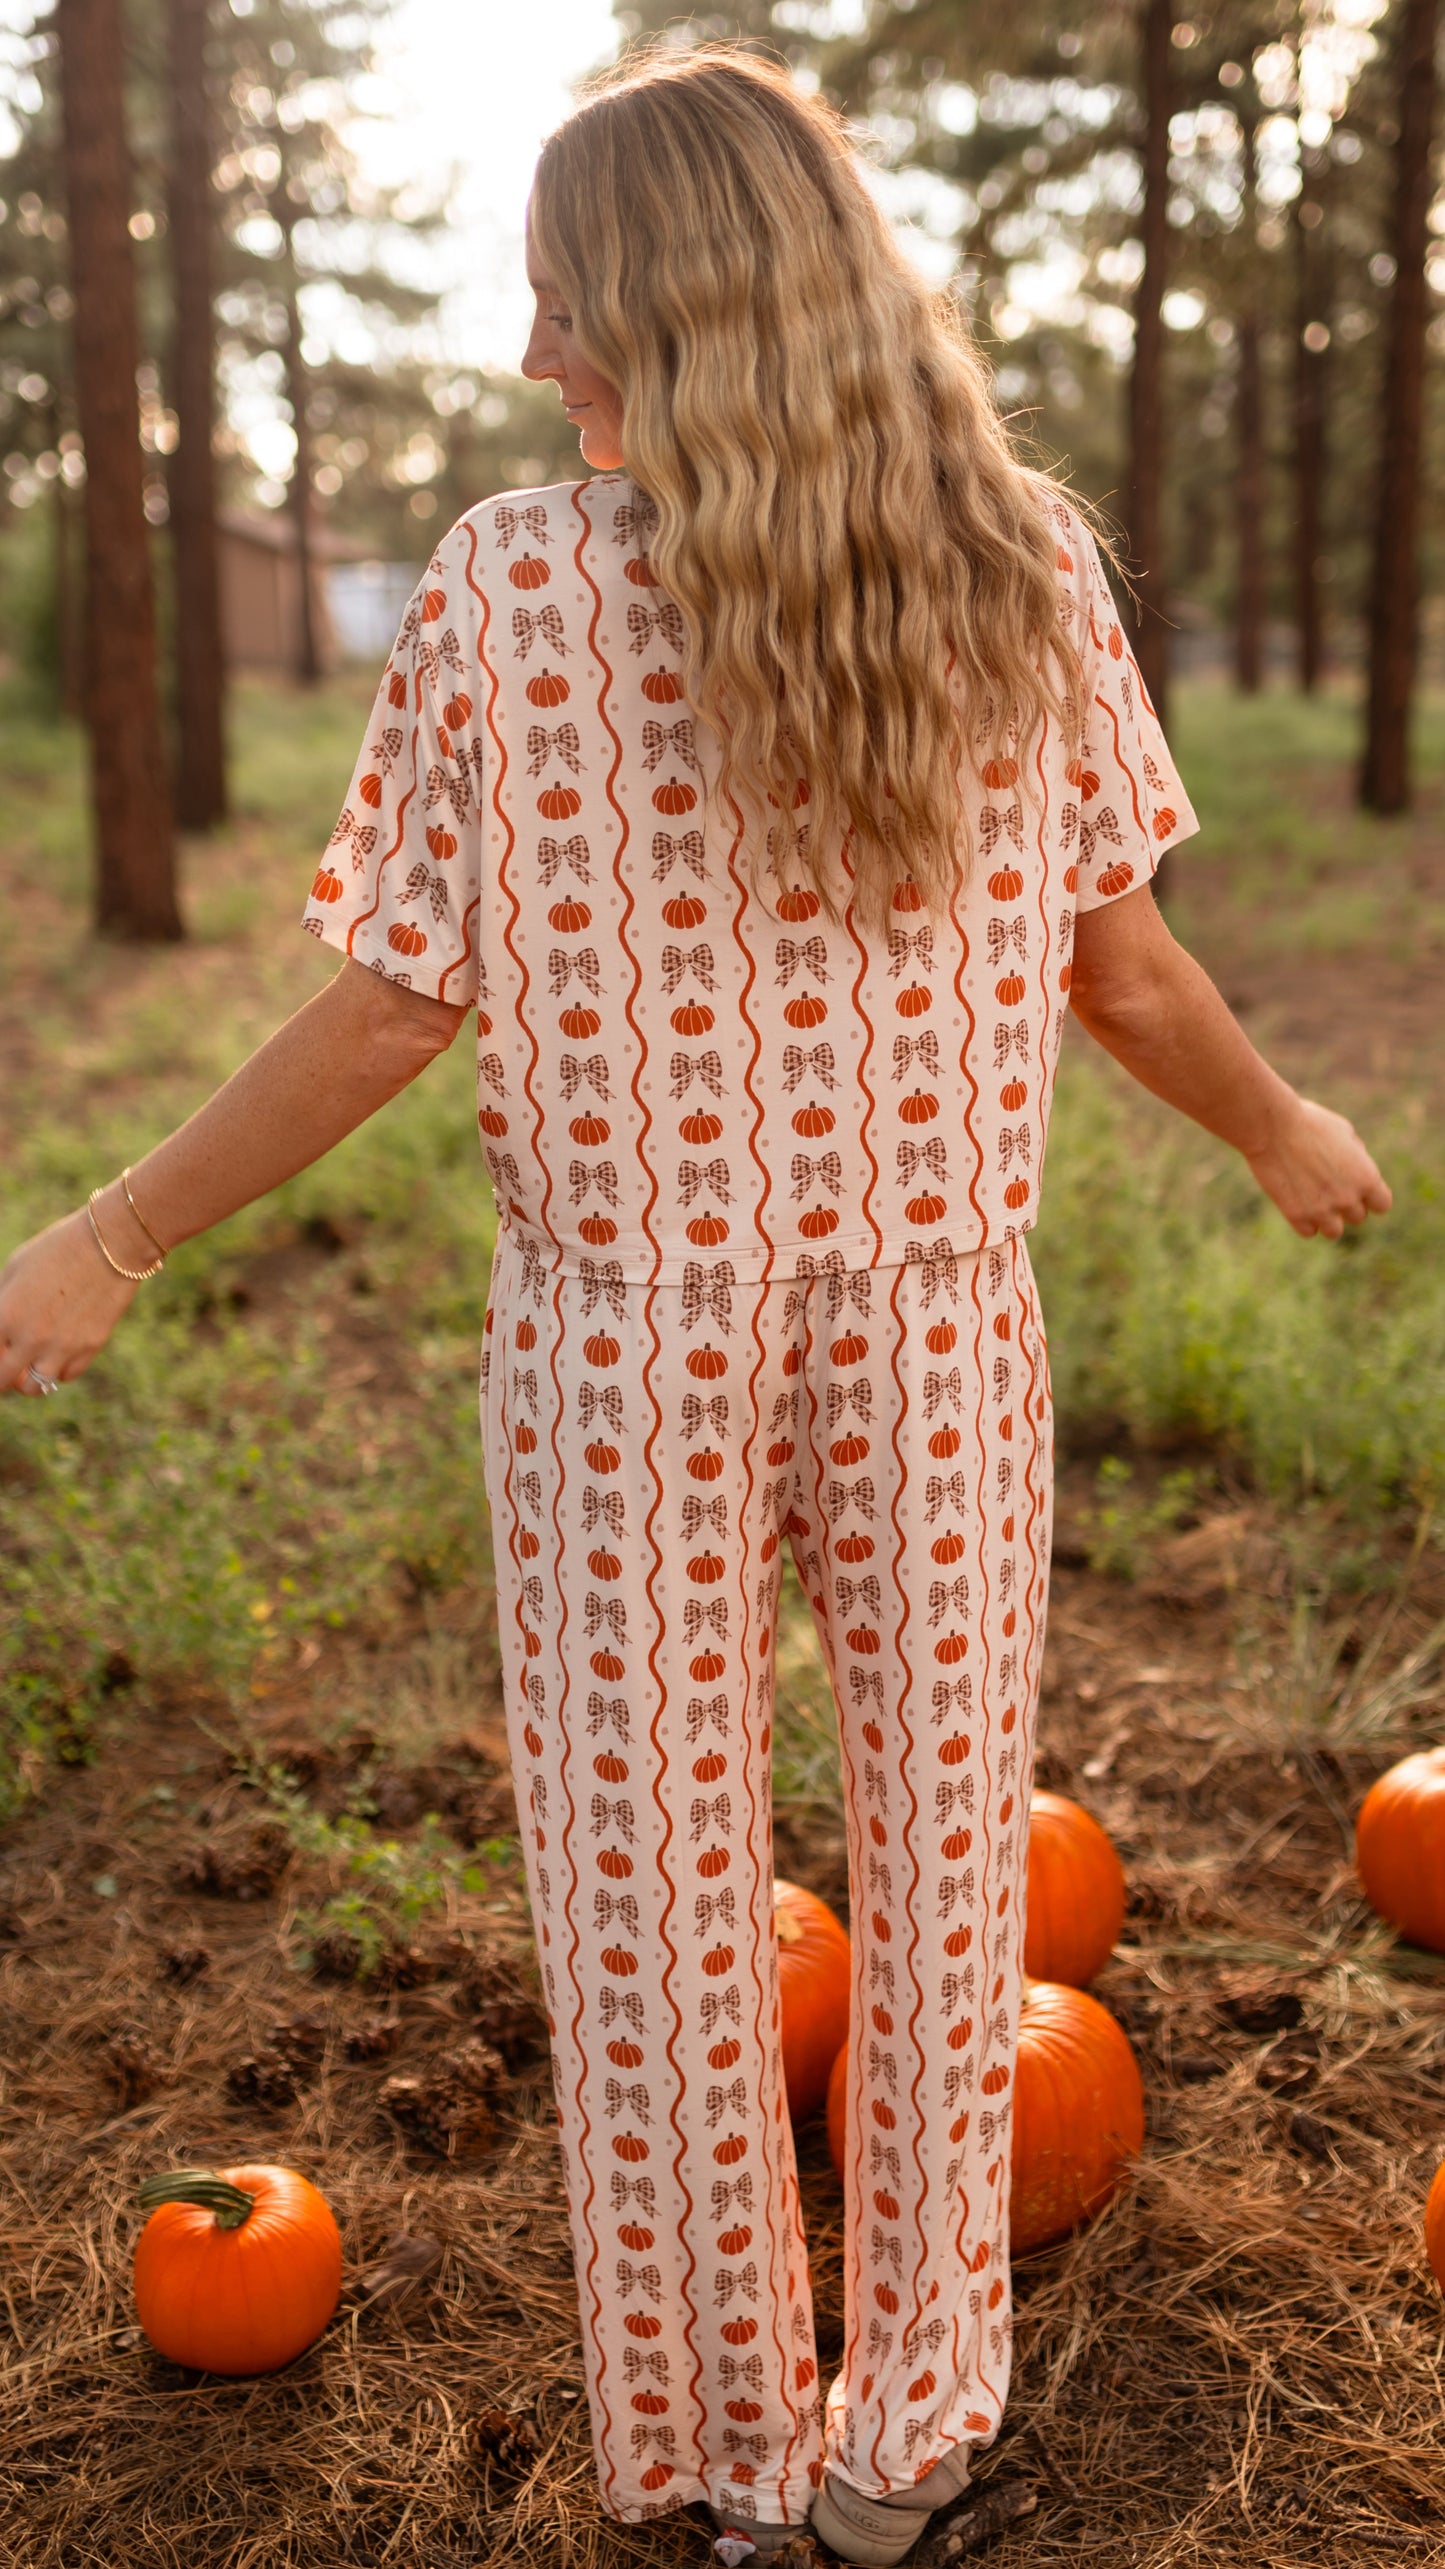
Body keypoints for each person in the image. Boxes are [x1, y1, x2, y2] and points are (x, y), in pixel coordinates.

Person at [0, 44, 1389, 2569]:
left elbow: (393, 1009)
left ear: (682, 307)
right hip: (940, 1334)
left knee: (650, 1901)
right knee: (951, 1876)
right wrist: (1277, 1123)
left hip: (627, 1345)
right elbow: (1130, 970)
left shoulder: (514, 587)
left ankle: (743, 2455)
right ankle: (909, 2438)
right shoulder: (1020, 563)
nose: (535, 351)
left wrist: (110, 1233)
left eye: (568, 301)